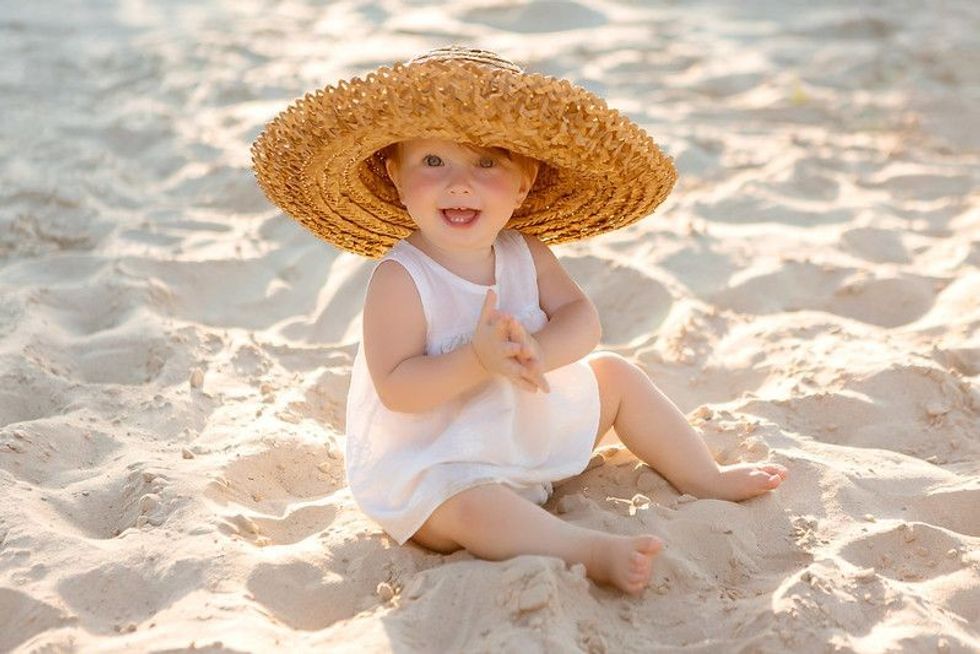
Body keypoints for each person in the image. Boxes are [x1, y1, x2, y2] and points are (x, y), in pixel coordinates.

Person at [251, 45, 788, 595]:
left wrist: (541, 352)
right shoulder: (401, 278)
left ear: (525, 180)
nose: (459, 182)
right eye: (433, 161)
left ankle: (703, 475)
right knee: (471, 509)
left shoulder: (524, 252)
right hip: (441, 460)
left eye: (487, 162)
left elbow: (582, 319)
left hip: (524, 428)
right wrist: (478, 360)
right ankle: (586, 548)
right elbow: (398, 391)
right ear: (395, 175)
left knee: (617, 375)